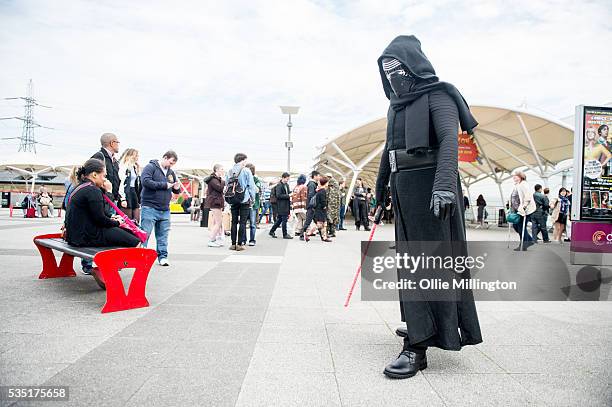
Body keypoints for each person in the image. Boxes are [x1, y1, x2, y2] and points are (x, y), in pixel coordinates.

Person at [373, 35, 482, 379]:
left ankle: (417, 348)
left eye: (397, 67)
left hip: (432, 193)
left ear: (413, 65)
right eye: (385, 70)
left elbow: (450, 139)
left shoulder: (440, 95)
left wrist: (444, 185)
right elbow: (389, 150)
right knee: (410, 265)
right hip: (404, 191)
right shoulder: (396, 105)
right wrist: (380, 192)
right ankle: (421, 325)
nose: (392, 76)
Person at [64, 159, 139, 250]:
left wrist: (112, 218)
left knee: (124, 233)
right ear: (94, 175)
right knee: (135, 240)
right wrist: (109, 192)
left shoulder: (81, 186)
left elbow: (97, 214)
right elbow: (101, 219)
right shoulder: (92, 190)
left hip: (75, 236)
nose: (105, 179)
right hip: (86, 237)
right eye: (104, 176)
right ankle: (129, 263)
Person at [140, 151, 181, 266]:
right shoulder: (150, 167)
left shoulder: (171, 172)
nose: (171, 165)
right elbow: (146, 182)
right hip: (149, 206)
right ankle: (141, 256)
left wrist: (176, 189)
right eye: (170, 162)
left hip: (165, 208)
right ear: (165, 157)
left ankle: (163, 257)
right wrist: (164, 185)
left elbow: (173, 189)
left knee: (163, 235)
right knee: (145, 233)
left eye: (173, 164)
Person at [226, 153, 256, 251]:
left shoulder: (229, 171)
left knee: (234, 222)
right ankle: (239, 244)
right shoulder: (246, 170)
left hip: (233, 199)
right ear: (242, 160)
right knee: (242, 222)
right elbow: (251, 186)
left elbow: (227, 185)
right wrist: (253, 198)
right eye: (245, 160)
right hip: (244, 199)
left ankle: (233, 244)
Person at [92, 132, 123, 206]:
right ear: (112, 143)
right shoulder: (99, 157)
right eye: (117, 142)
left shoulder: (115, 160)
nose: (118, 145)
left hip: (112, 200)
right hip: (103, 200)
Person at [509, 170, 536, 250]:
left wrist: (524, 205)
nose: (514, 177)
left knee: (520, 227)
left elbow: (528, 195)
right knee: (517, 226)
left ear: (521, 177)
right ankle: (529, 240)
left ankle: (524, 244)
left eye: (516, 176)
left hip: (525, 209)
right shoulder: (518, 185)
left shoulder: (524, 184)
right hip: (519, 209)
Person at [204, 164, 226, 247]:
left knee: (216, 221)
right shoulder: (213, 179)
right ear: (217, 170)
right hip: (215, 202)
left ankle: (215, 239)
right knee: (218, 222)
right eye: (222, 169)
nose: (223, 170)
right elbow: (220, 188)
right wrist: (224, 182)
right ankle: (211, 240)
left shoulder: (216, 179)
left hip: (217, 201)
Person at [118, 148, 141, 221]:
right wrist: (123, 198)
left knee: (136, 220)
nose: (137, 157)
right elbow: (121, 183)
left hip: (133, 192)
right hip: (126, 193)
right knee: (127, 221)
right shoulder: (124, 167)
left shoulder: (134, 167)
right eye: (136, 155)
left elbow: (137, 184)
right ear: (130, 156)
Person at [268, 172, 293, 239]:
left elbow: (287, 192)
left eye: (288, 179)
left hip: (286, 204)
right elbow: (278, 195)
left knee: (279, 220)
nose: (287, 180)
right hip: (281, 205)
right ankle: (285, 234)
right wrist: (288, 195)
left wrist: (291, 193)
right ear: (283, 178)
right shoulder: (279, 185)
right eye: (287, 179)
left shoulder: (286, 185)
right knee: (284, 220)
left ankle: (271, 231)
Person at [309, 176, 332, 242]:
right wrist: (324, 206)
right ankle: (307, 233)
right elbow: (323, 201)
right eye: (327, 182)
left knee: (324, 224)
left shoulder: (319, 190)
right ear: (325, 183)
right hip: (321, 210)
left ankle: (324, 237)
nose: (328, 184)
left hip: (319, 210)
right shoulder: (322, 191)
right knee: (319, 225)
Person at [299, 171, 321, 240]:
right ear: (315, 176)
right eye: (318, 176)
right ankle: (301, 235)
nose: (319, 177)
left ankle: (323, 235)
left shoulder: (313, 184)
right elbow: (311, 195)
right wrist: (317, 192)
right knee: (308, 221)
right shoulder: (312, 184)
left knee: (318, 221)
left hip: (312, 206)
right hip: (312, 206)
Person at [243, 163, 260, 246]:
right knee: (243, 222)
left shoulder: (256, 179)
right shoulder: (243, 178)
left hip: (253, 204)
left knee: (252, 223)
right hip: (244, 203)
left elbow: (257, 190)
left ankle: (252, 240)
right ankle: (243, 239)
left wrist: (251, 181)